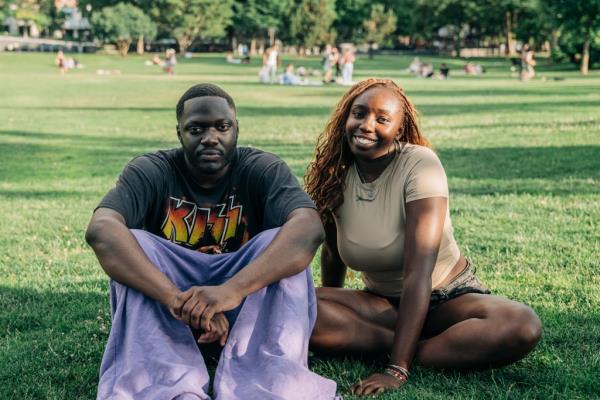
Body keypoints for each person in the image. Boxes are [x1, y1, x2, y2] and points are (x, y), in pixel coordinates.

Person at [86, 83, 337, 399]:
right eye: (196, 129)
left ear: (236, 130)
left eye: (222, 127)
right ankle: (166, 386)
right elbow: (102, 229)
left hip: (245, 312)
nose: (210, 137)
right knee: (134, 243)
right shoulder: (151, 170)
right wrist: (177, 299)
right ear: (179, 133)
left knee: (281, 241)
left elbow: (309, 229)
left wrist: (231, 291)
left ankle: (268, 385)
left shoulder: (262, 168)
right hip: (171, 312)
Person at [305, 78, 542, 396]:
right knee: (294, 303)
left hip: (446, 299)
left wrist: (397, 368)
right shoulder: (334, 175)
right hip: (382, 304)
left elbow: (419, 270)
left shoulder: (420, 165)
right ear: (345, 117)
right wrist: (326, 310)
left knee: (521, 325)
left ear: (399, 130)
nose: (365, 125)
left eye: (381, 118)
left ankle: (397, 349)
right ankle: (424, 346)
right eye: (358, 113)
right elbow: (333, 254)